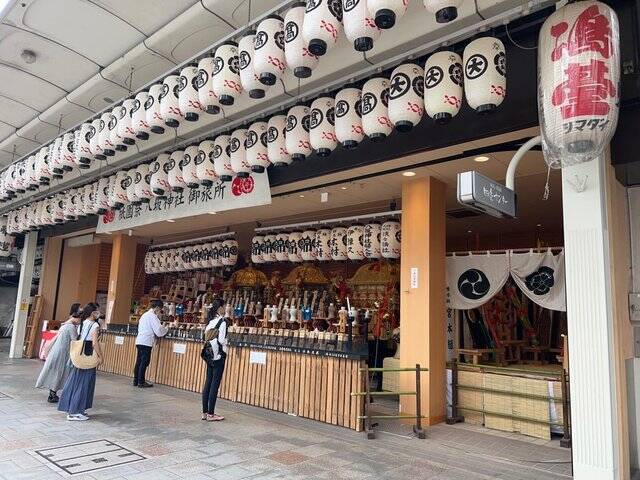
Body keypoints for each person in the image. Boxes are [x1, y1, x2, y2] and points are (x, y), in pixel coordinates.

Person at [58, 304, 103, 421]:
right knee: (84, 383)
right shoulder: (95, 325)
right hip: (88, 355)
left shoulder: (82, 323)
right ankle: (75, 412)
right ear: (93, 313)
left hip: (79, 355)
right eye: (97, 311)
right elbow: (94, 343)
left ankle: (73, 408)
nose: (99, 313)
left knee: (76, 381)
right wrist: (100, 356)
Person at [35, 303, 81, 403]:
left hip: (56, 352)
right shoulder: (71, 327)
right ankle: (53, 395)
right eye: (80, 319)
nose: (80, 321)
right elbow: (75, 341)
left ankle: (53, 394)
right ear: (76, 317)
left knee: (56, 372)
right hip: (62, 354)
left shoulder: (64, 325)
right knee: (59, 373)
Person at [202, 298, 228, 422]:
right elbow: (222, 340)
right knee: (214, 385)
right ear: (220, 308)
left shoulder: (210, 322)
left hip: (209, 355)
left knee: (208, 383)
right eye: (224, 306)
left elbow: (205, 337)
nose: (226, 309)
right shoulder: (222, 322)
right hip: (218, 356)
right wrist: (227, 342)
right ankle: (211, 414)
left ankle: (205, 412)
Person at [134, 299, 170, 388]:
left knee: (139, 361)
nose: (160, 312)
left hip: (140, 340)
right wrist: (166, 329)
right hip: (146, 342)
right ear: (157, 308)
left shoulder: (144, 315)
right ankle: (141, 382)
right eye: (160, 310)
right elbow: (159, 331)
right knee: (144, 362)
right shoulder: (152, 316)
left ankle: (136, 380)